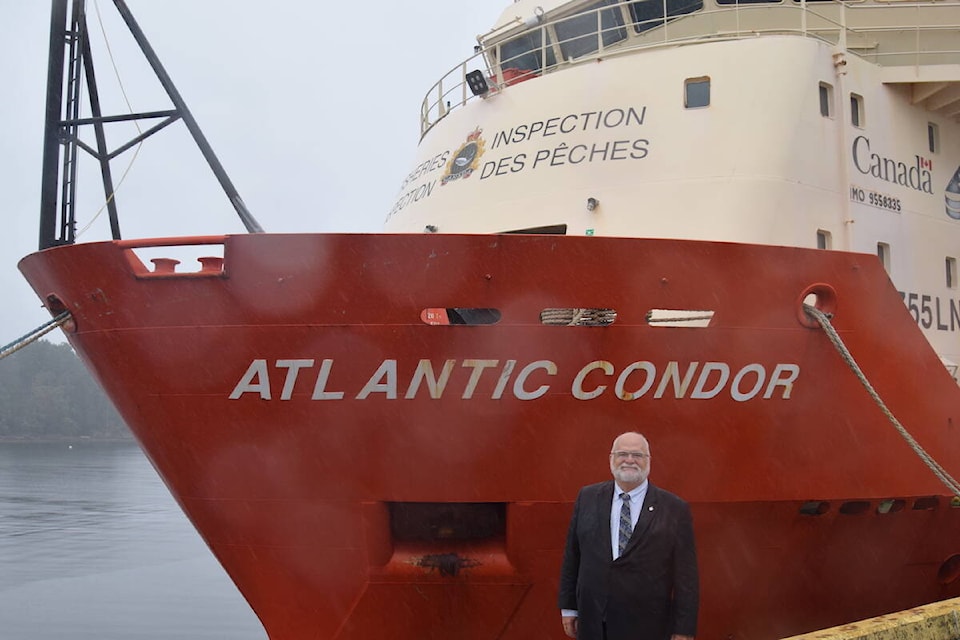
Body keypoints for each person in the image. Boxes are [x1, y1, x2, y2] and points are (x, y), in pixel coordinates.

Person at [558, 432, 699, 640]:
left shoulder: (674, 509)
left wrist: (683, 629)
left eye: (637, 455)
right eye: (622, 454)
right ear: (611, 459)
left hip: (648, 626)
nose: (629, 460)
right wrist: (569, 608)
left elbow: (686, 575)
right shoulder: (587, 498)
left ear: (649, 461)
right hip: (594, 623)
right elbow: (573, 555)